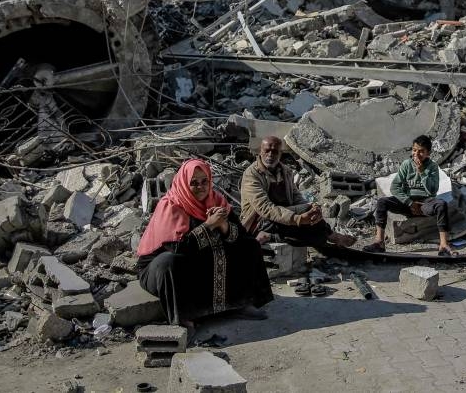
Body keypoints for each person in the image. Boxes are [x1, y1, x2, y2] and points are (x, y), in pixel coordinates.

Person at [136, 159, 273, 329]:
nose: (201, 187)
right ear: (185, 183)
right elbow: (178, 248)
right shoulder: (171, 205)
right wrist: (209, 225)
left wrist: (224, 226)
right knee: (169, 261)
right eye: (194, 183)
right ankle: (183, 319)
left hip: (197, 258)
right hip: (160, 271)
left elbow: (241, 236)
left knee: (249, 246)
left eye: (204, 181)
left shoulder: (216, 200)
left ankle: (240, 304)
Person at [240, 136, 356, 248]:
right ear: (260, 151)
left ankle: (272, 237)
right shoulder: (252, 174)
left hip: (284, 218)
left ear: (280, 154)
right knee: (308, 213)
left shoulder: (286, 171)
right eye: (267, 151)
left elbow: (296, 196)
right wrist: (298, 219)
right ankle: (332, 235)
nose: (270, 155)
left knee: (319, 237)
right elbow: (265, 208)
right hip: (261, 221)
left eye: (274, 152)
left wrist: (312, 206)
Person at [363, 135, 457, 257]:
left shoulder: (432, 167)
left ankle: (443, 245)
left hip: (424, 202)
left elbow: (432, 190)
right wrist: (409, 202)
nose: (416, 154)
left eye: (421, 151)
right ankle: (379, 242)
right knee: (382, 202)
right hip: (407, 202)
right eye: (414, 150)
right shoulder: (407, 165)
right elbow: (395, 187)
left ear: (428, 153)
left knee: (441, 205)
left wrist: (422, 172)